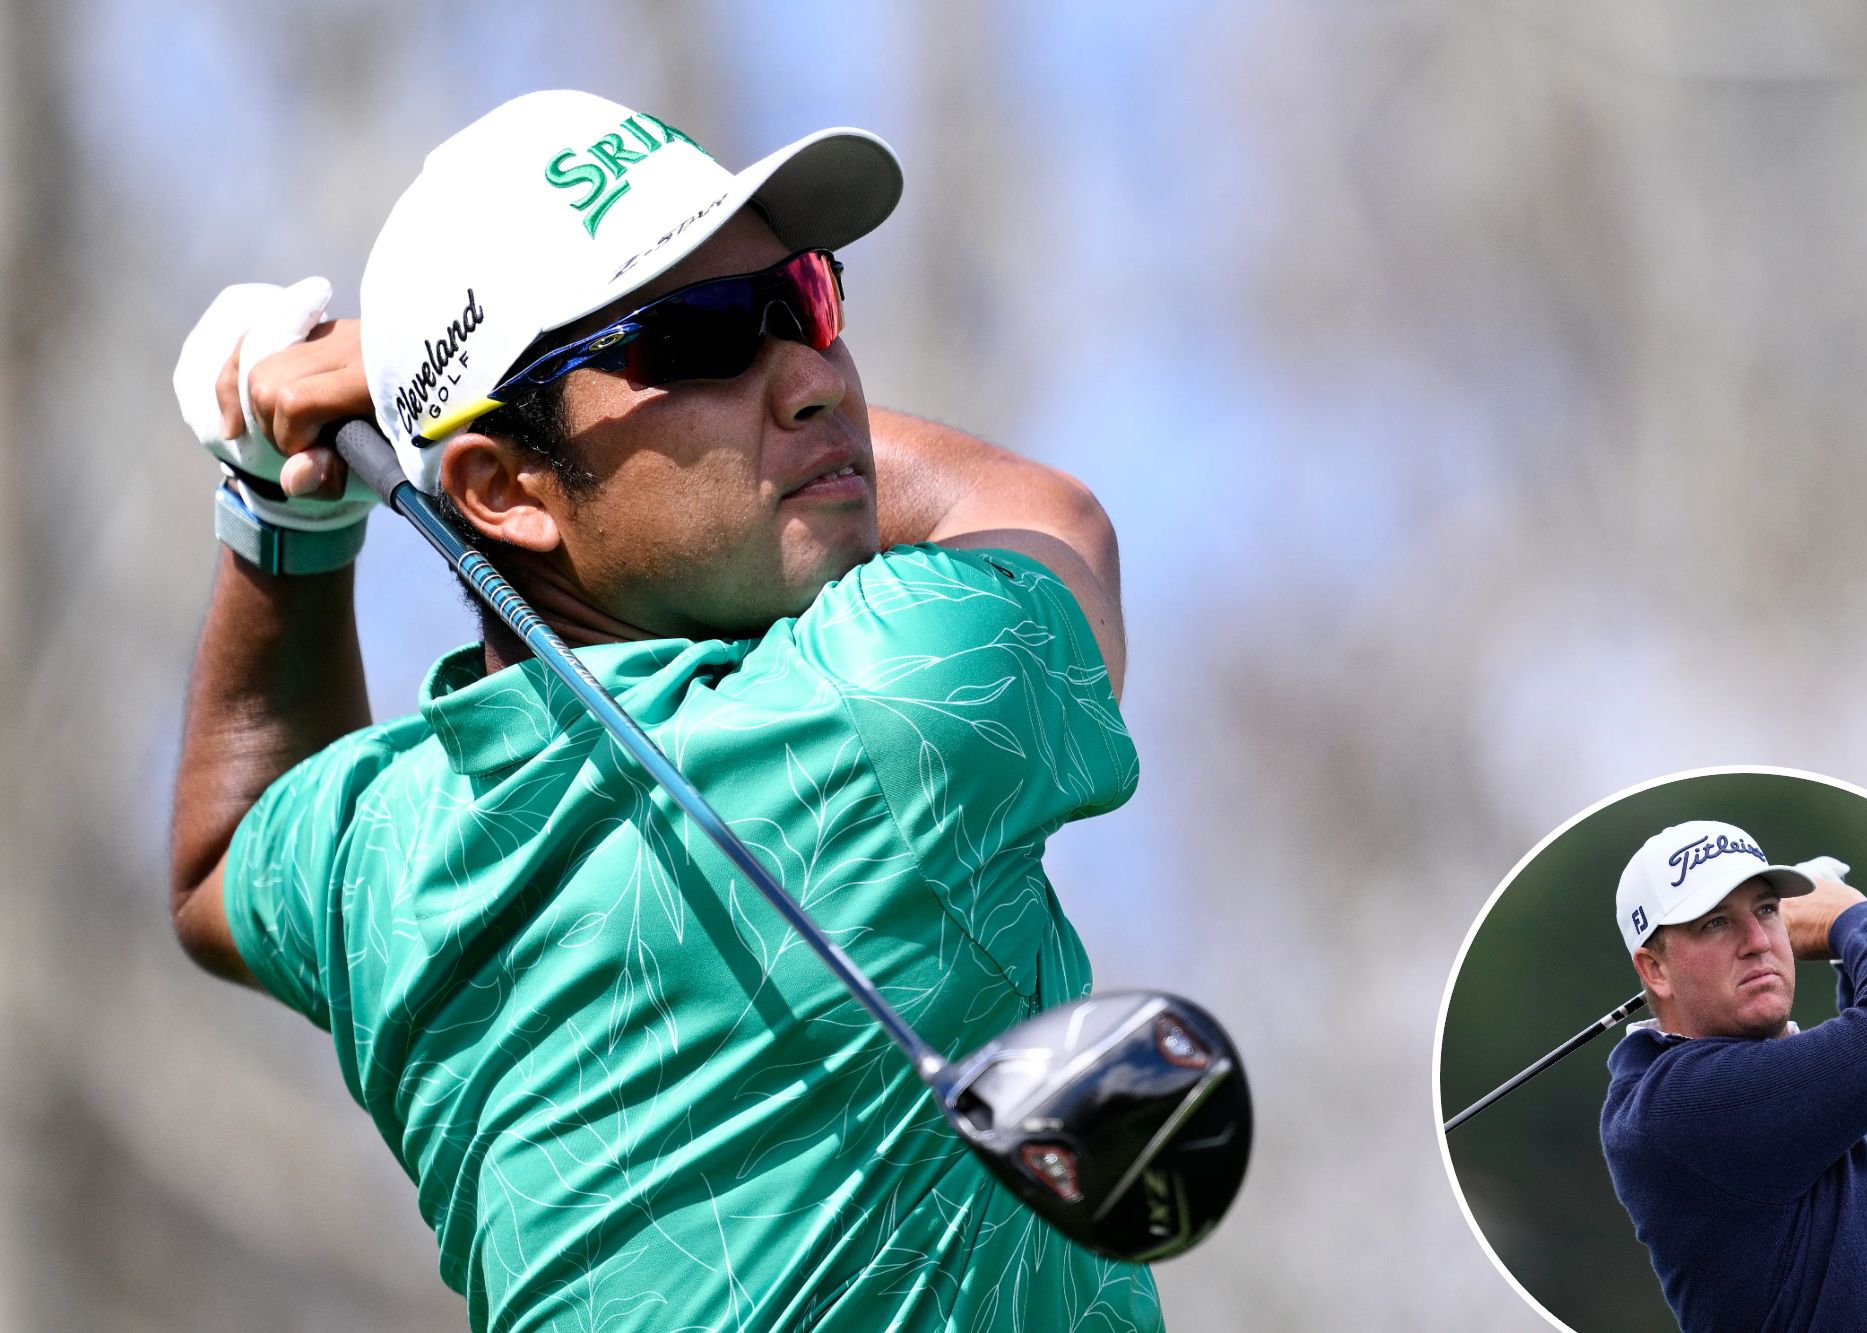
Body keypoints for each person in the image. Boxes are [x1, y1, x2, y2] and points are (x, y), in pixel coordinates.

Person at [167, 90, 1161, 1332]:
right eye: (695, 340)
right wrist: (393, 376)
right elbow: (1045, 516)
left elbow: (219, 864)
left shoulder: (382, 846)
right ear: (503, 490)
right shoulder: (886, 704)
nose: (816, 378)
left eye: (802, 299)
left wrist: (282, 516)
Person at [1601, 819, 1867, 1333]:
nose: (1758, 941)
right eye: (1715, 923)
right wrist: (1851, 918)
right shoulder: (1680, 1103)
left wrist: (1845, 954)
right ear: (1655, 970)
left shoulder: (1766, 1081)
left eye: (1767, 910)